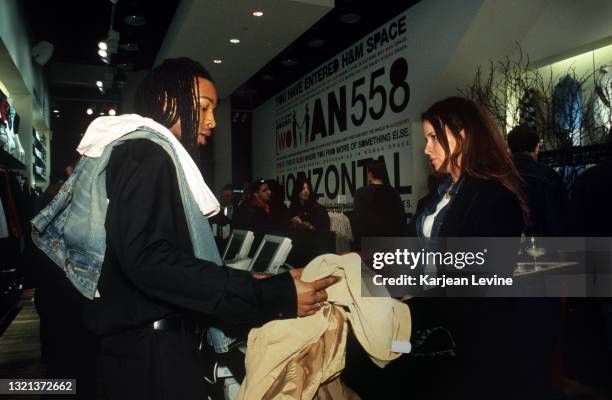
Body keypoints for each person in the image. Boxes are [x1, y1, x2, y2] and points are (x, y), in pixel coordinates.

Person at [31, 58, 338, 399]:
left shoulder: (140, 152)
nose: (212, 121)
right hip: (151, 358)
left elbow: (154, 257)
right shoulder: (148, 155)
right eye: (204, 107)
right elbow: (151, 262)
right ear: (166, 101)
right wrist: (271, 295)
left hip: (142, 349)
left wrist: (251, 282)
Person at [404, 97, 558, 400]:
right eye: (426, 139)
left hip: (470, 336)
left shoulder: (494, 195)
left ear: (463, 136)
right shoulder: (432, 198)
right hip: (429, 322)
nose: (426, 148)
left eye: (434, 137)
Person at [507, 123, 567, 236]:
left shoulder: (500, 177)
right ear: (537, 147)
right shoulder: (550, 176)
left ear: (509, 148)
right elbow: (560, 219)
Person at [352, 159, 405, 249]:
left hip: (369, 247)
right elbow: (401, 221)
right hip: (392, 247)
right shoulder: (394, 192)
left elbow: (357, 224)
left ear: (370, 175)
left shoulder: (361, 193)